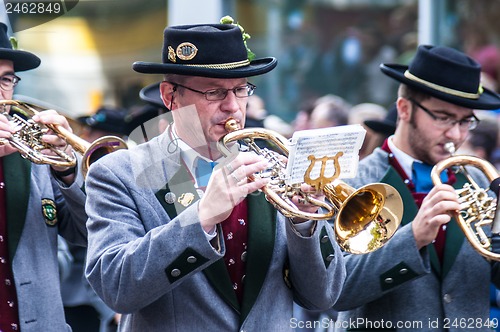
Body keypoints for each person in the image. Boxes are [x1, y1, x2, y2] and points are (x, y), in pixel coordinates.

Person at [84, 19, 346, 331]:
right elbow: (115, 287)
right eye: (213, 92)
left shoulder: (275, 164)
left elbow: (324, 297)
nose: (233, 106)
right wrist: (201, 218)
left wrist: (304, 222)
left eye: (241, 89)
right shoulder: (119, 173)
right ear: (170, 96)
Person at [332, 45, 500, 331]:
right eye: (444, 118)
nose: (456, 134)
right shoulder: (351, 181)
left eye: (465, 121)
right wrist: (414, 237)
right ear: (404, 109)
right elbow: (335, 291)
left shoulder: (479, 181)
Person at [0, 22, 87, 331]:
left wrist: (66, 170)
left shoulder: (28, 148)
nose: (0, 92)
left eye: (6, 80)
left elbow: (85, 233)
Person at [61, 106, 129, 332]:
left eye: (96, 134)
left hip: (100, 296)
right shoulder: (78, 170)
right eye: (89, 132)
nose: (87, 139)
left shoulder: (121, 171)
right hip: (73, 293)